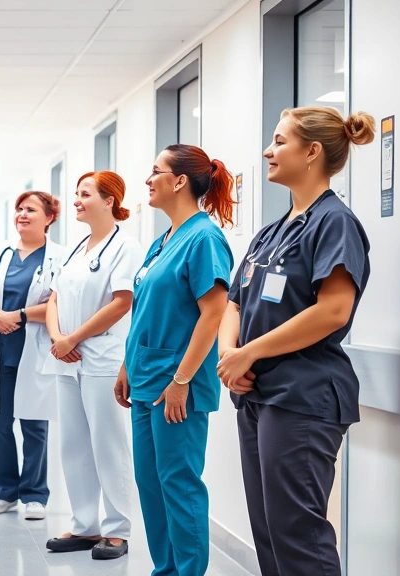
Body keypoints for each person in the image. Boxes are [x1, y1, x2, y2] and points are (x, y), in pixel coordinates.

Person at [217, 107, 374, 576]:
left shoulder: (334, 222)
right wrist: (230, 353)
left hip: (304, 396)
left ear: (312, 152)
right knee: (267, 528)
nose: (268, 150)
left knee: (298, 534)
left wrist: (250, 352)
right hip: (258, 393)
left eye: (279, 141)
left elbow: (333, 310)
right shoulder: (273, 231)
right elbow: (235, 301)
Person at [117, 144, 235, 576]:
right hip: (147, 379)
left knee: (179, 483)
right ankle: (165, 570)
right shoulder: (163, 240)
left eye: (155, 172)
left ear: (179, 181)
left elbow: (214, 312)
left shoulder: (204, 238)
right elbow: (146, 309)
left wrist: (182, 380)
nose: (148, 181)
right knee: (150, 484)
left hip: (177, 388)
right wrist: (127, 365)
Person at [43, 171, 141, 560]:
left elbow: (122, 302)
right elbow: (53, 297)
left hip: (101, 357)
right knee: (74, 445)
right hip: (67, 358)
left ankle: (117, 529)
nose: (77, 201)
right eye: (77, 194)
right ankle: (85, 526)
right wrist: (57, 339)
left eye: (85, 194)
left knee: (108, 444)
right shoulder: (74, 247)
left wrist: (73, 338)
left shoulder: (126, 247)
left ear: (109, 201)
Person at [0, 191, 65, 520]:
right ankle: (4, 491)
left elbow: (57, 303)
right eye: (20, 209)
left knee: (35, 423)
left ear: (49, 218)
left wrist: (19, 316)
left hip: (34, 347)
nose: (22, 215)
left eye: (31, 210)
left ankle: (35, 494)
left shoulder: (59, 257)